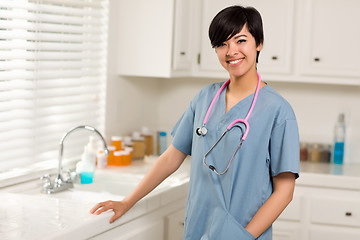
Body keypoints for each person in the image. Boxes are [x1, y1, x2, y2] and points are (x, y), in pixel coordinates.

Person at [90, 5, 299, 240]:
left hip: (242, 234)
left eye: (241, 41)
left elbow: (284, 191)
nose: (231, 51)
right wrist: (127, 202)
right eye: (222, 44)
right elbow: (171, 157)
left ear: (258, 43)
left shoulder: (278, 111)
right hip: (198, 229)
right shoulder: (205, 98)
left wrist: (243, 237)